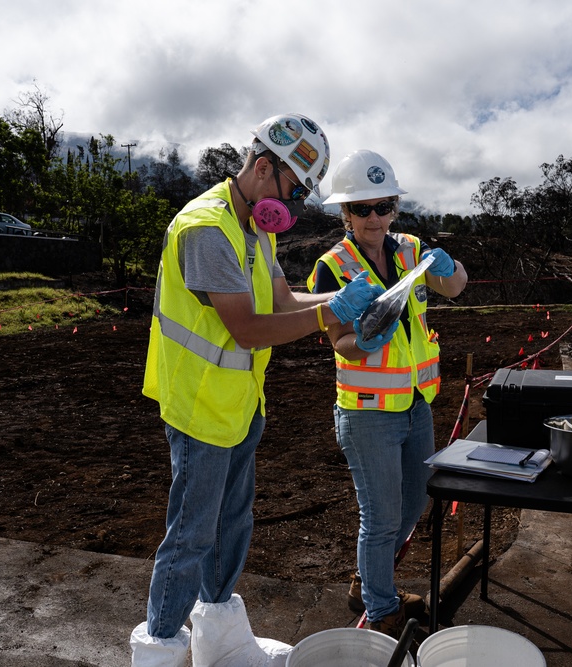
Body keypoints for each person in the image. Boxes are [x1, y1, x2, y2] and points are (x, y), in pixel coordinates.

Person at [130, 115, 389, 667]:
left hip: (241, 402)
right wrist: (332, 316)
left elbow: (280, 302)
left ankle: (219, 634)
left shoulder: (254, 229)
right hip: (199, 405)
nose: (293, 206)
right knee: (190, 535)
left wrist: (341, 299)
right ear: (263, 167)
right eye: (294, 190)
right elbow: (248, 327)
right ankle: (159, 649)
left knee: (232, 523)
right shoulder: (204, 228)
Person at [307, 149, 468, 638]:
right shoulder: (332, 267)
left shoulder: (412, 250)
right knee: (380, 517)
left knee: (415, 503)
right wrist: (365, 340)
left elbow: (456, 287)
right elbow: (340, 343)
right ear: (345, 214)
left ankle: (368, 579)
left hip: (416, 402)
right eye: (362, 209)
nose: (374, 218)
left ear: (395, 208)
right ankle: (381, 607)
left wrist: (449, 263)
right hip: (367, 412)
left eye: (384, 206)